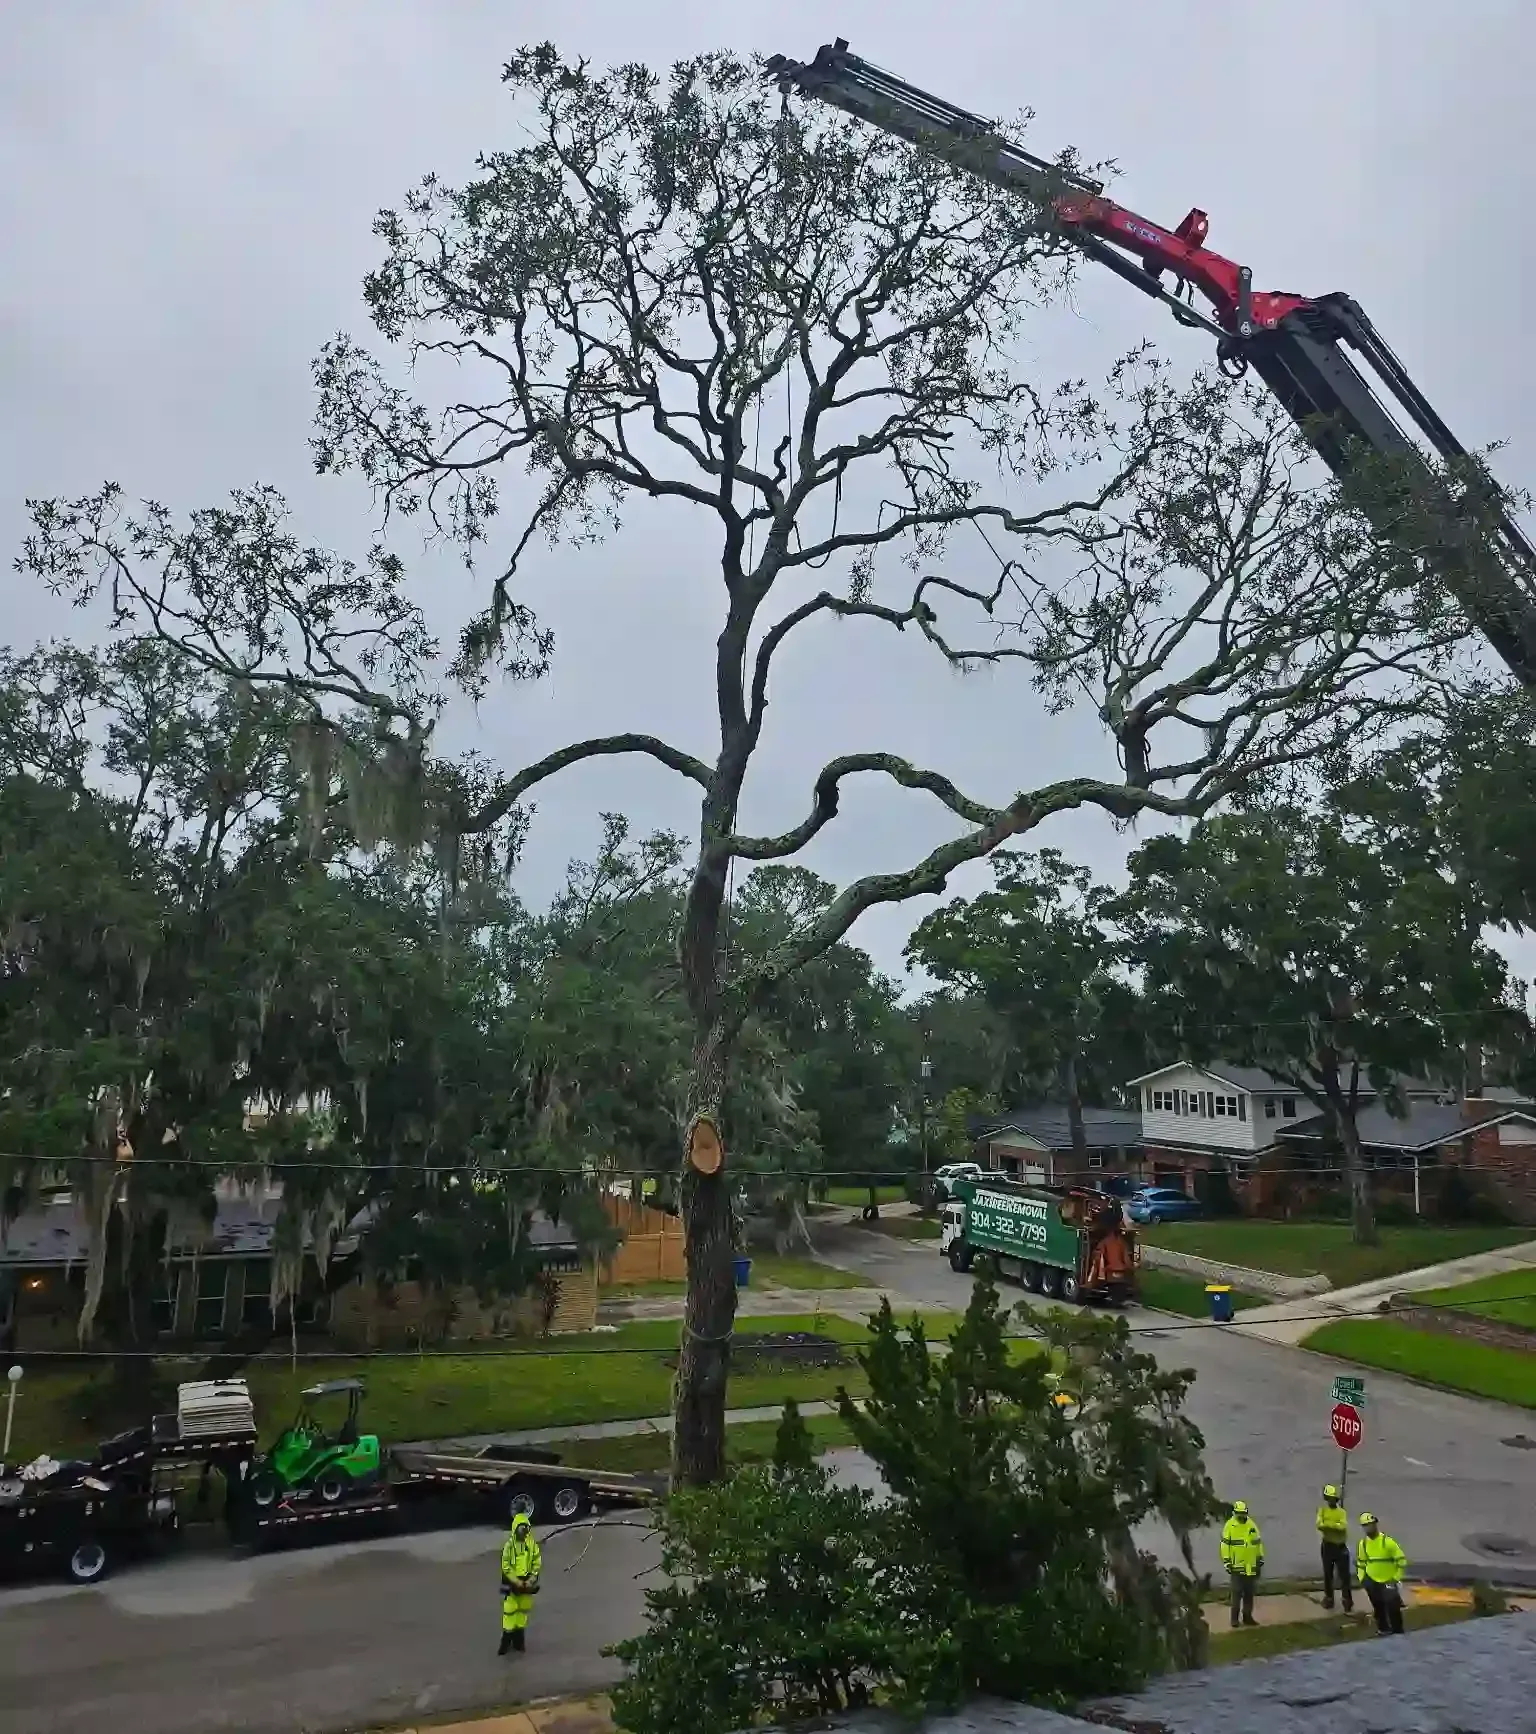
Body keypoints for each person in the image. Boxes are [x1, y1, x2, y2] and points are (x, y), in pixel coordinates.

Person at [497, 1511, 543, 1655]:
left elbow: (536, 1563)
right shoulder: (509, 1546)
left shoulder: (532, 1545)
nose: (523, 1533)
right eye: (521, 1529)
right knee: (509, 1610)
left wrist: (531, 1580)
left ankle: (519, 1641)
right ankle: (506, 1641)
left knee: (523, 1611)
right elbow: (506, 1566)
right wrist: (515, 1581)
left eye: (525, 1529)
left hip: (526, 1583)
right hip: (513, 1584)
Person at [1356, 1512, 1407, 1635]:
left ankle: (1397, 1631)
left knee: (1393, 1607)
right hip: (1372, 1580)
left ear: (1375, 1525)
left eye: (1370, 1525)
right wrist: (1362, 1578)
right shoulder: (1363, 1544)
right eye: (1365, 1526)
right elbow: (1361, 1563)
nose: (1368, 1528)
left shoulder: (1387, 1542)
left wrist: (1396, 1578)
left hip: (1388, 1580)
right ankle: (1383, 1629)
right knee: (1378, 1607)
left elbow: (1401, 1560)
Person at [1220, 1498, 1265, 1628]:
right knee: (1236, 1593)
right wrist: (1227, 1562)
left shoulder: (1252, 1525)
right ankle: (1234, 1619)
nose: (1242, 1516)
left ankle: (1247, 1617)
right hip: (1236, 1566)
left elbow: (1258, 1543)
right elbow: (1224, 1546)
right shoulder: (1230, 1526)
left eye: (1244, 1513)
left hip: (1251, 1566)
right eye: (1239, 1513)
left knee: (1249, 1593)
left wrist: (1260, 1558)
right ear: (1235, 1513)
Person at [1315, 1483, 1353, 1612]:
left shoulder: (1341, 1512)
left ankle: (1347, 1600)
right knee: (1328, 1574)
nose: (1330, 1500)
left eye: (1332, 1498)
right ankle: (1329, 1599)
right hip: (1327, 1546)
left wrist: (1328, 1525)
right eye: (1328, 1498)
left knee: (1344, 1577)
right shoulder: (1322, 1511)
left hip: (1340, 1548)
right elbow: (1319, 1525)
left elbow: (1342, 1526)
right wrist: (1333, 1525)